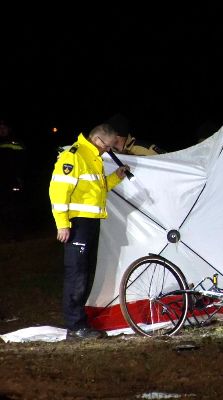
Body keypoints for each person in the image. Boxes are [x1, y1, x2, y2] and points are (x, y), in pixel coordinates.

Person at [49, 124, 130, 340]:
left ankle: (79, 322)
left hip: (90, 223)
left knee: (84, 274)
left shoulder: (93, 157)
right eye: (108, 146)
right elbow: (58, 190)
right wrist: (62, 224)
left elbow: (97, 189)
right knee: (77, 275)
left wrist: (116, 177)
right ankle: (75, 327)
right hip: (77, 224)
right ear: (97, 139)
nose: (109, 151)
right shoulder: (74, 155)